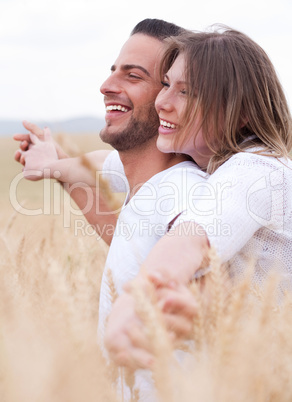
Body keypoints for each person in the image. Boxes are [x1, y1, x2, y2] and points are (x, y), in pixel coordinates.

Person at [13, 19, 208, 401]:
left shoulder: (186, 195)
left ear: (171, 98)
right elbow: (131, 243)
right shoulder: (156, 189)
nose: (107, 86)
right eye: (112, 71)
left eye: (132, 75)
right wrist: (57, 166)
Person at [105, 25, 292, 374]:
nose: (163, 102)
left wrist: (136, 302)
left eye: (187, 92)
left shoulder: (257, 170)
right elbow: (109, 163)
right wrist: (55, 161)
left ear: (241, 112)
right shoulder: (208, 161)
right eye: (166, 84)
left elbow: (192, 238)